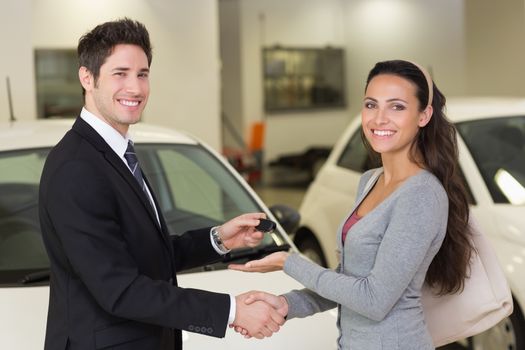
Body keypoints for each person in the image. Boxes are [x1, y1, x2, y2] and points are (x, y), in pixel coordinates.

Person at [39, 18, 284, 350]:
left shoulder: (116, 153)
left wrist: (219, 240)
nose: (136, 88)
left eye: (142, 74)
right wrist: (232, 310)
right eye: (120, 74)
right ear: (87, 76)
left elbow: (144, 255)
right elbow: (119, 288)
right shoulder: (76, 168)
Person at [229, 59, 474, 349]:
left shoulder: (421, 195)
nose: (379, 118)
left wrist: (289, 262)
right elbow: (350, 283)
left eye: (397, 106)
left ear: (424, 115)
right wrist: (286, 304)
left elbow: (373, 299)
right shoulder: (371, 181)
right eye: (371, 105)